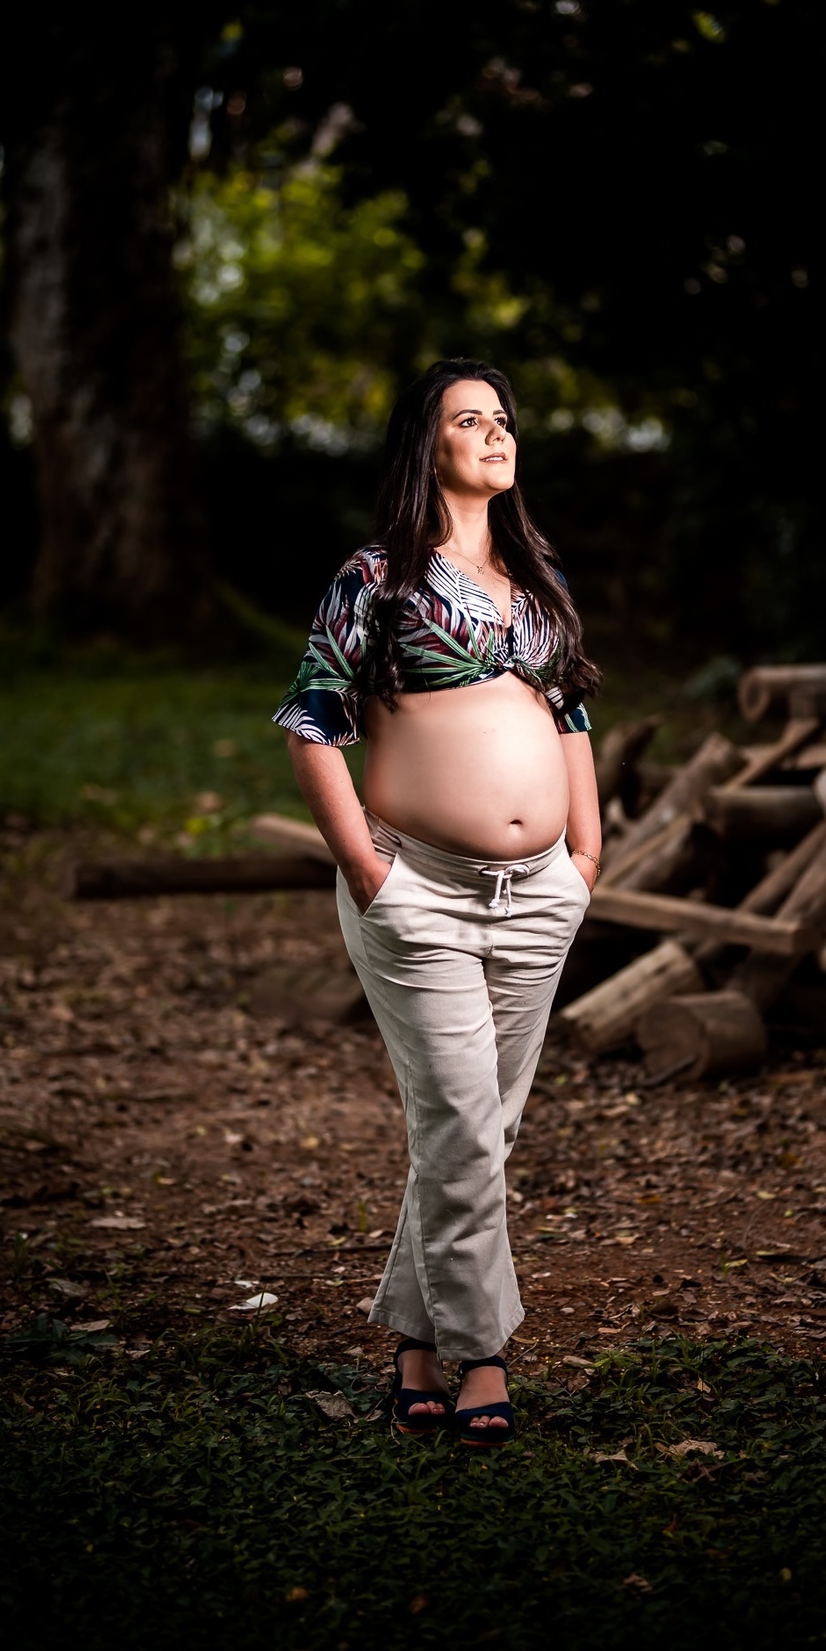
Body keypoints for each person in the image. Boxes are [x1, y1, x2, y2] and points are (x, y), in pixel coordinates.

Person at [274, 359, 602, 1446]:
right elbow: (312, 721)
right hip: (423, 889)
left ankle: (413, 1341)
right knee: (465, 1124)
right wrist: (372, 872)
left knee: (479, 1128)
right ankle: (483, 1354)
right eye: (471, 419)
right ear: (430, 444)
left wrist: (585, 855)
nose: (496, 434)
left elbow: (570, 720)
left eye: (504, 418)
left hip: (540, 892)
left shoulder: (536, 572)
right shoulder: (377, 577)